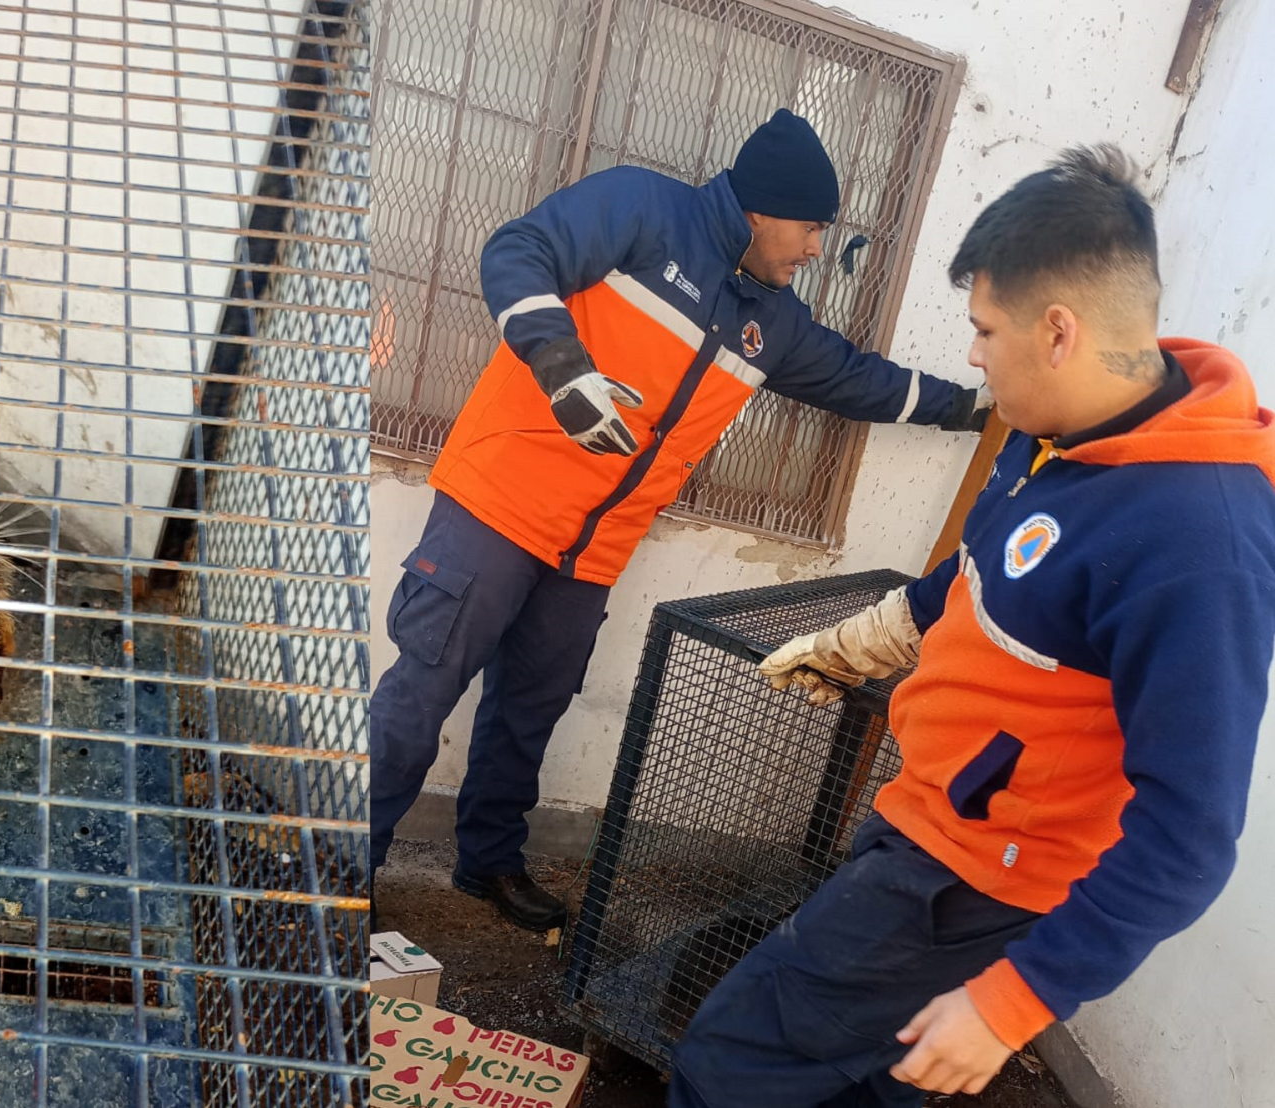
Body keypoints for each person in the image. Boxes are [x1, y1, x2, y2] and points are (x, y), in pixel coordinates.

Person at [663, 144, 1275, 1106]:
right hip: (931, 820)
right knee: (879, 1084)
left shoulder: (1198, 542)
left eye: (986, 330)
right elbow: (983, 571)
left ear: (1060, 331)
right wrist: (866, 634)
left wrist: (1012, 1003)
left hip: (974, 881)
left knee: (731, 1063)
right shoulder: (1061, 433)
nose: (975, 354)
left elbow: (1190, 831)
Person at [370, 108, 991, 933]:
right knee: (422, 692)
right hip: (500, 504)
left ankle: (488, 862)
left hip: (594, 548)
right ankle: (344, 865)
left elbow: (857, 380)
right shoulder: (641, 210)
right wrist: (563, 366)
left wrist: (982, 408)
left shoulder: (769, 318)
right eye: (811, 228)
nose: (816, 249)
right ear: (762, 209)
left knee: (532, 708)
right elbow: (517, 252)